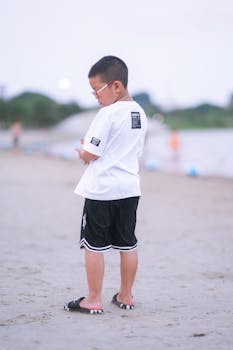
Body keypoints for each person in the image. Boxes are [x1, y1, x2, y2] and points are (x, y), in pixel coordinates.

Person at [64, 56, 147, 314]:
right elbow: (121, 145)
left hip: (103, 190)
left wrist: (82, 150)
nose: (95, 97)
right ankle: (126, 295)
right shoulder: (140, 113)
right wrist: (91, 145)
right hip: (130, 188)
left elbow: (92, 154)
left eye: (97, 90)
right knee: (127, 244)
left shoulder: (107, 113)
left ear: (116, 86)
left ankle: (93, 299)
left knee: (93, 245)